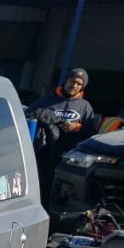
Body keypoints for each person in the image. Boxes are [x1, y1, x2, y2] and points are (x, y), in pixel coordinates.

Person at [27, 68, 95, 203]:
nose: (74, 86)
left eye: (79, 84)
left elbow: (91, 133)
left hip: (67, 158)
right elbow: (28, 116)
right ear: (65, 81)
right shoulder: (46, 101)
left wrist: (76, 127)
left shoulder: (85, 107)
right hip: (43, 156)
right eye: (72, 81)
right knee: (40, 190)